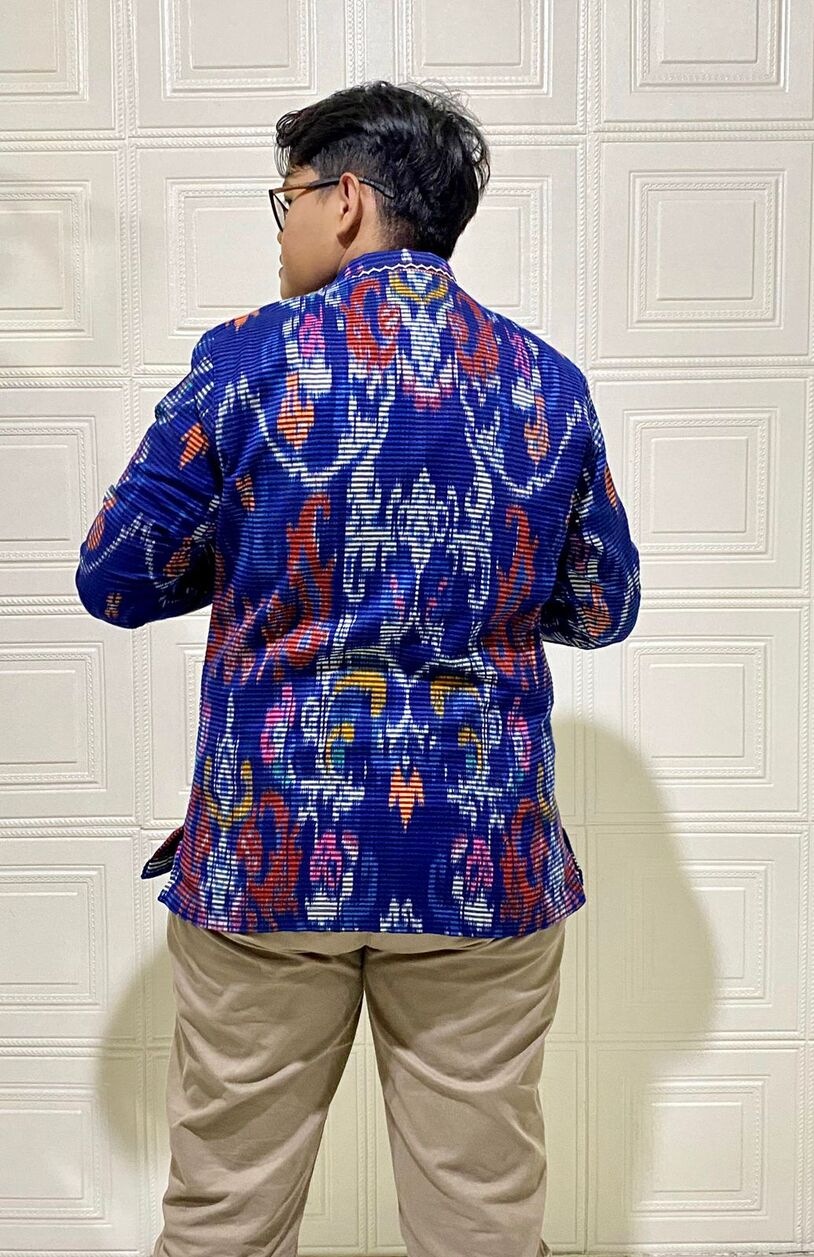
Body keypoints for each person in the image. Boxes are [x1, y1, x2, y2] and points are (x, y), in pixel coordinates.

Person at [75, 79, 641, 1257]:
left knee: (227, 1213)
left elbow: (116, 576)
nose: (279, 226)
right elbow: (601, 606)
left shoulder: (245, 365)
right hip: (481, 858)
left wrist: (256, 560)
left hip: (271, 855)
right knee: (482, 1218)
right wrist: (472, 587)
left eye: (283, 198)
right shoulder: (544, 382)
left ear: (343, 201)